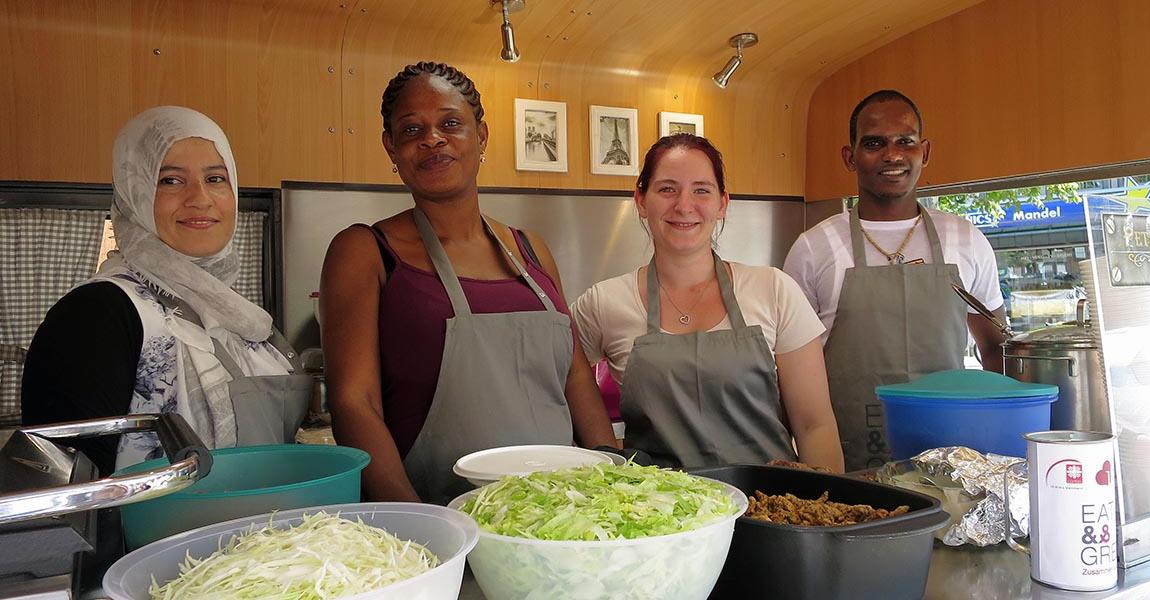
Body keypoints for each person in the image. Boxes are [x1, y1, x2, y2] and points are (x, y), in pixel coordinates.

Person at [320, 62, 617, 505]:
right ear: (392, 149)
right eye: (411, 129)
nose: (432, 138)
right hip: (440, 512)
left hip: (564, 515)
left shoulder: (531, 249)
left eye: (451, 123)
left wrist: (613, 479)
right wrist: (425, 528)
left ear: (481, 137)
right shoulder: (365, 251)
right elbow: (353, 403)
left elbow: (575, 376)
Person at [22, 106, 309, 475]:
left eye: (216, 179)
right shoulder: (97, 314)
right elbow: (72, 498)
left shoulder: (237, 315)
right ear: (135, 191)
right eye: (171, 180)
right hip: (160, 534)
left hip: (266, 529)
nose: (200, 198)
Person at [572, 133, 844, 472]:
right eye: (667, 189)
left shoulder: (774, 289)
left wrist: (827, 515)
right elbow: (565, 380)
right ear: (641, 201)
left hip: (770, 506)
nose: (684, 206)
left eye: (701, 190)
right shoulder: (603, 303)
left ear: (722, 203)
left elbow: (814, 425)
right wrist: (606, 457)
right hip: (658, 514)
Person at [783, 90, 1006, 471]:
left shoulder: (966, 239)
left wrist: (1002, 441)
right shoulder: (813, 247)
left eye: (906, 141)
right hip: (846, 461)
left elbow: (996, 350)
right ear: (849, 157)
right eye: (874, 143)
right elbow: (789, 372)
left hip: (954, 459)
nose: (892, 154)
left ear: (925, 152)